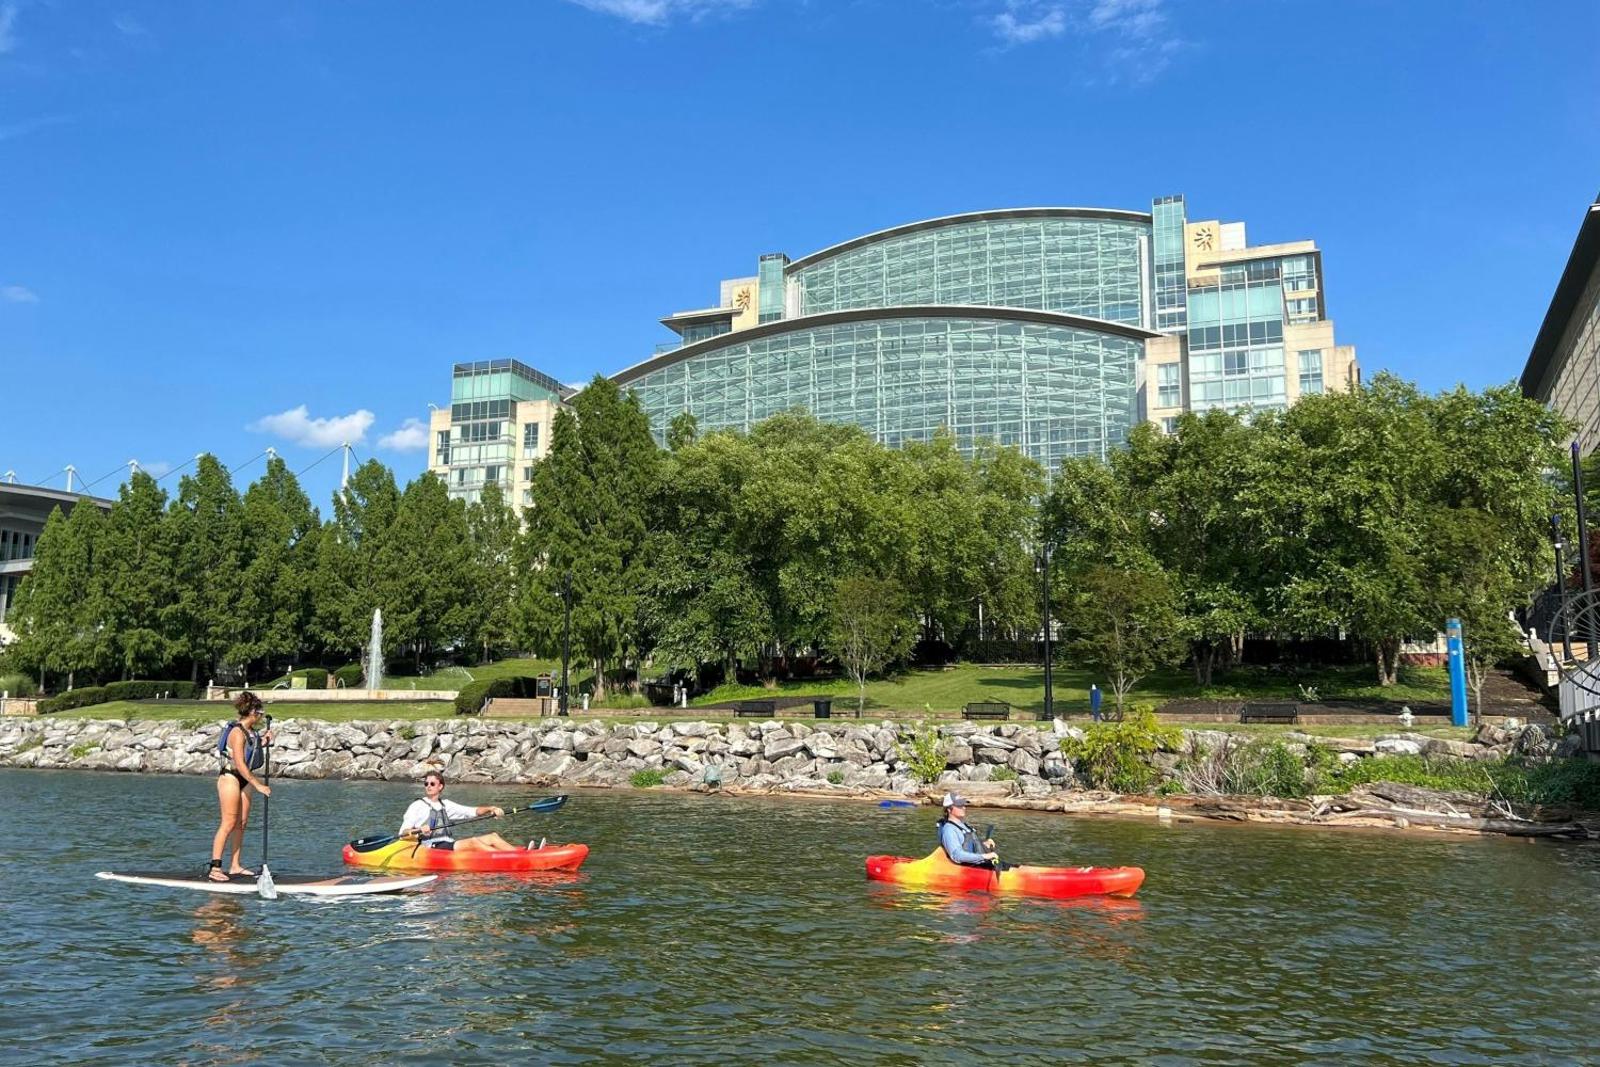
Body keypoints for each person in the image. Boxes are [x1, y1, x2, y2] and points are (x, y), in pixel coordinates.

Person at [209, 691, 272, 882]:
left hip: (244, 781)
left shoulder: (251, 732)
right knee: (228, 822)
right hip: (230, 778)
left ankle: (235, 865)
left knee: (242, 823)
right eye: (259, 711)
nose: (261, 715)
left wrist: (265, 741)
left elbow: (252, 750)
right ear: (252, 712)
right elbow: (240, 763)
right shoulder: (237, 732)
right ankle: (215, 867)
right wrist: (258, 785)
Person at [400, 772, 528, 852]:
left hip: (447, 844)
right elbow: (403, 833)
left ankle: (520, 854)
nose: (428, 786)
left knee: (492, 837)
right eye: (426, 783)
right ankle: (511, 859)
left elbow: (472, 811)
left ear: (440, 787)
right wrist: (419, 831)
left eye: (432, 783)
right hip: (430, 847)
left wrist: (491, 808)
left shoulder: (446, 805)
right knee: (473, 842)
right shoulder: (416, 806)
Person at [936, 793, 999, 868]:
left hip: (979, 865)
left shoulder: (964, 825)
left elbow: (970, 846)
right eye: (959, 806)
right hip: (968, 869)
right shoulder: (949, 830)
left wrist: (984, 844)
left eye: (964, 805)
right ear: (949, 809)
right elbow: (957, 855)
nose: (964, 808)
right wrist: (984, 856)